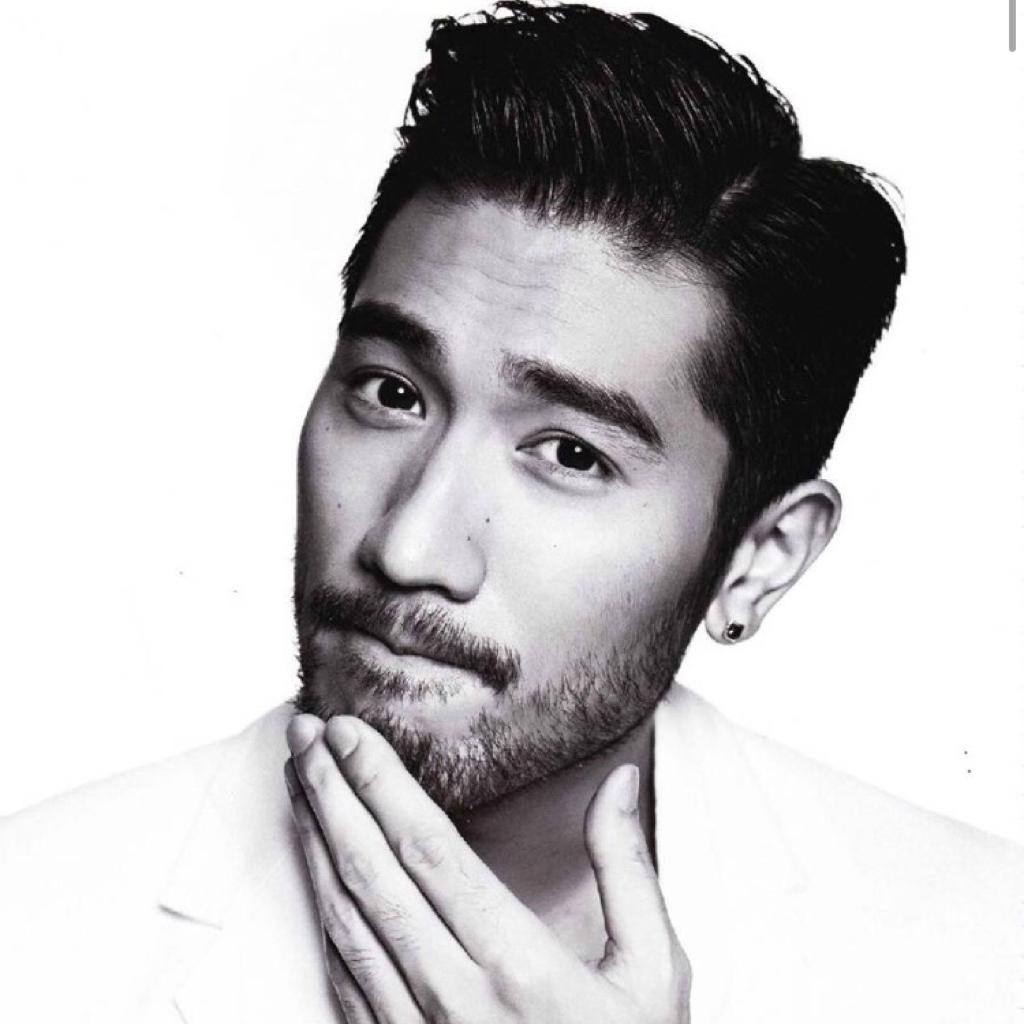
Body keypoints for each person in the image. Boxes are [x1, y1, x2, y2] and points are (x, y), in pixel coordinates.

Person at [0, 4, 1019, 1023]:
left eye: (571, 454)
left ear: (759, 558)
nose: (407, 548)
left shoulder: (983, 957)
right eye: (392, 393)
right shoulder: (32, 931)